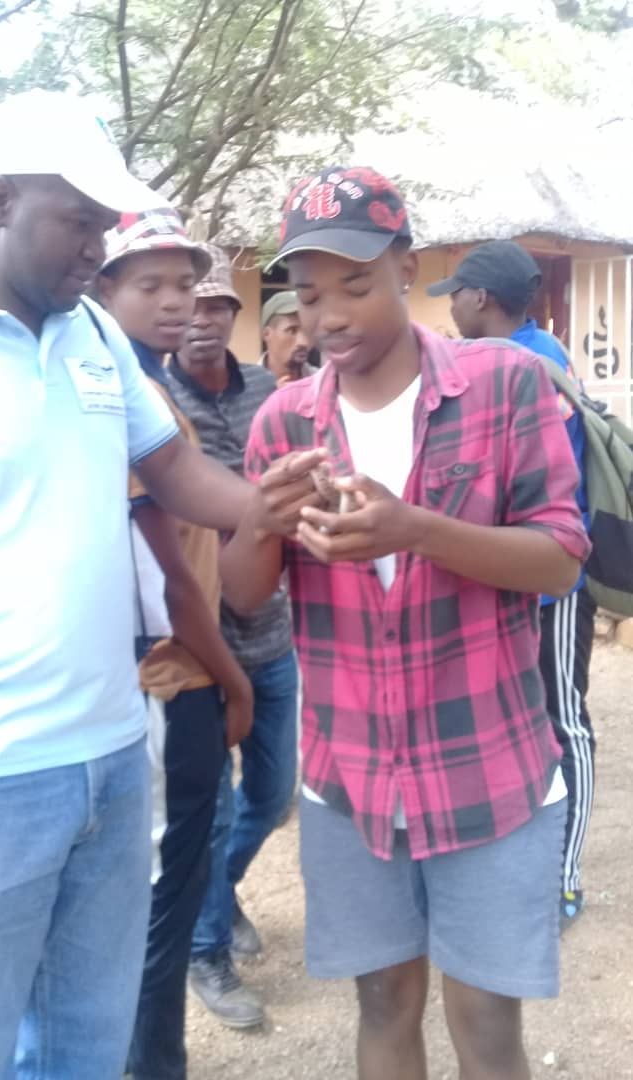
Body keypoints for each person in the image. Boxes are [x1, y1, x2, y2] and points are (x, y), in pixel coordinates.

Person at [0, 91, 284, 1080]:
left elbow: (174, 473)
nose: (95, 247)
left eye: (102, 223)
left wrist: (272, 503)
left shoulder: (90, 335)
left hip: (112, 766)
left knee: (84, 1046)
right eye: (78, 221)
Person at [219, 165, 590, 1080]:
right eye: (307, 297)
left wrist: (414, 528)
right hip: (350, 780)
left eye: (355, 284)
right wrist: (261, 521)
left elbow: (560, 555)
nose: (331, 316)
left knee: (485, 1018)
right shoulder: (282, 423)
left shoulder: (503, 386)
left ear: (406, 267)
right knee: (384, 1002)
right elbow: (243, 595)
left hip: (487, 769)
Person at [97, 206, 254, 1080]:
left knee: (163, 895)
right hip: (168, 674)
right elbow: (173, 581)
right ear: (102, 288)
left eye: (183, 285)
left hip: (167, 670)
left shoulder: (139, 386)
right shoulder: (132, 400)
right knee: (159, 911)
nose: (174, 304)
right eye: (147, 285)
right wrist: (231, 680)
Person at [427, 239, 595, 927]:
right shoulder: (519, 354)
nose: (454, 308)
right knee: (518, 726)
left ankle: (564, 875)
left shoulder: (528, 363)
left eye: (458, 295)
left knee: (565, 721)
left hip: (549, 589)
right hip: (512, 581)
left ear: (482, 299)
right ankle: (517, 864)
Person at [167, 248, 299, 1029]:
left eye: (219, 304)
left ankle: (221, 889)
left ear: (234, 317)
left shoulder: (265, 395)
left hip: (272, 631)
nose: (204, 317)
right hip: (196, 643)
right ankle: (205, 950)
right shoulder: (158, 404)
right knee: (211, 809)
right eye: (193, 302)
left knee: (272, 792)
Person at [260, 290, 313, 385]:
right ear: (266, 334)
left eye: (307, 331)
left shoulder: (325, 384)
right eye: (292, 331)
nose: (304, 342)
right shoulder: (242, 386)